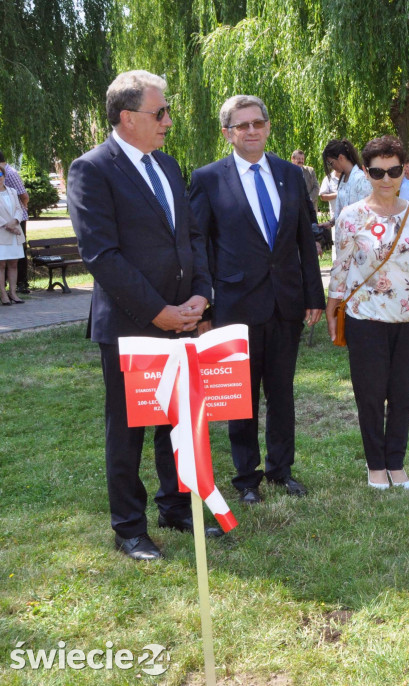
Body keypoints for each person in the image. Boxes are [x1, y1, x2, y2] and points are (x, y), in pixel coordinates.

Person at [68, 70, 215, 561]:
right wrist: (157, 312)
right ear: (128, 117)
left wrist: (200, 296)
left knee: (177, 421)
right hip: (132, 326)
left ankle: (175, 507)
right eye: (161, 112)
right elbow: (101, 255)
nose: (169, 121)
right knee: (128, 429)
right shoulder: (92, 169)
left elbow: (192, 236)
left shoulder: (169, 166)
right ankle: (128, 527)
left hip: (183, 319)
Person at [188, 95, 326, 506]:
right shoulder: (208, 179)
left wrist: (312, 295)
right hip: (234, 307)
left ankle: (281, 470)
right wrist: (205, 308)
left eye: (258, 123)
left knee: (282, 391)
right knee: (241, 397)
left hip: (286, 304)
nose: (251, 130)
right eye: (242, 125)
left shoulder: (291, 174)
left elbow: (305, 237)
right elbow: (199, 246)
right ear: (228, 133)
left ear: (267, 126)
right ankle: (246, 478)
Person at [325, 135, 409, 490]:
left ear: (404, 171)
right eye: (378, 172)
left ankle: (396, 463)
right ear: (366, 171)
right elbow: (340, 268)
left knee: (402, 394)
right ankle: (376, 465)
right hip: (365, 319)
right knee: (371, 395)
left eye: (393, 171)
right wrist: (332, 310)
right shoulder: (350, 216)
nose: (387, 179)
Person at [0, 153, 29, 293]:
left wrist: (15, 221)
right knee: (2, 264)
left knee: (15, 261)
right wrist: (8, 225)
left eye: (0, 174)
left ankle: (18, 287)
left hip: (16, 224)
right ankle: (4, 293)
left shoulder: (10, 174)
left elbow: (22, 198)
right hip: (3, 229)